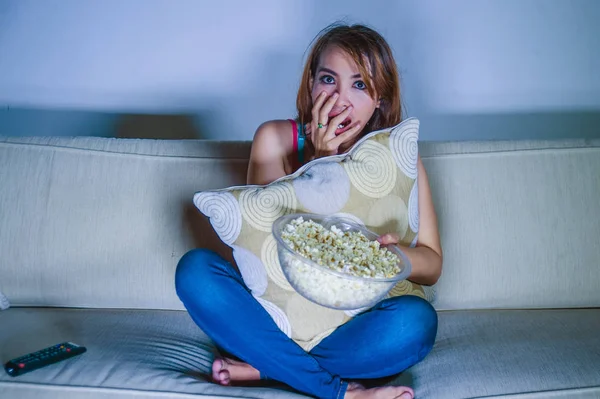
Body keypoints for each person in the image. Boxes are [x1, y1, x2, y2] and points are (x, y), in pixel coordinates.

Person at [175, 23, 443, 399]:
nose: (340, 100)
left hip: (351, 331)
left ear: (380, 98)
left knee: (415, 323)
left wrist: (396, 258)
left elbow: (431, 265)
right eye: (328, 79)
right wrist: (320, 165)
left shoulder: (400, 158)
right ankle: (338, 391)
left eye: (360, 85)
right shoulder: (274, 139)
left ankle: (267, 366)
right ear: (311, 86)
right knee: (195, 271)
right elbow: (268, 250)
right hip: (277, 318)